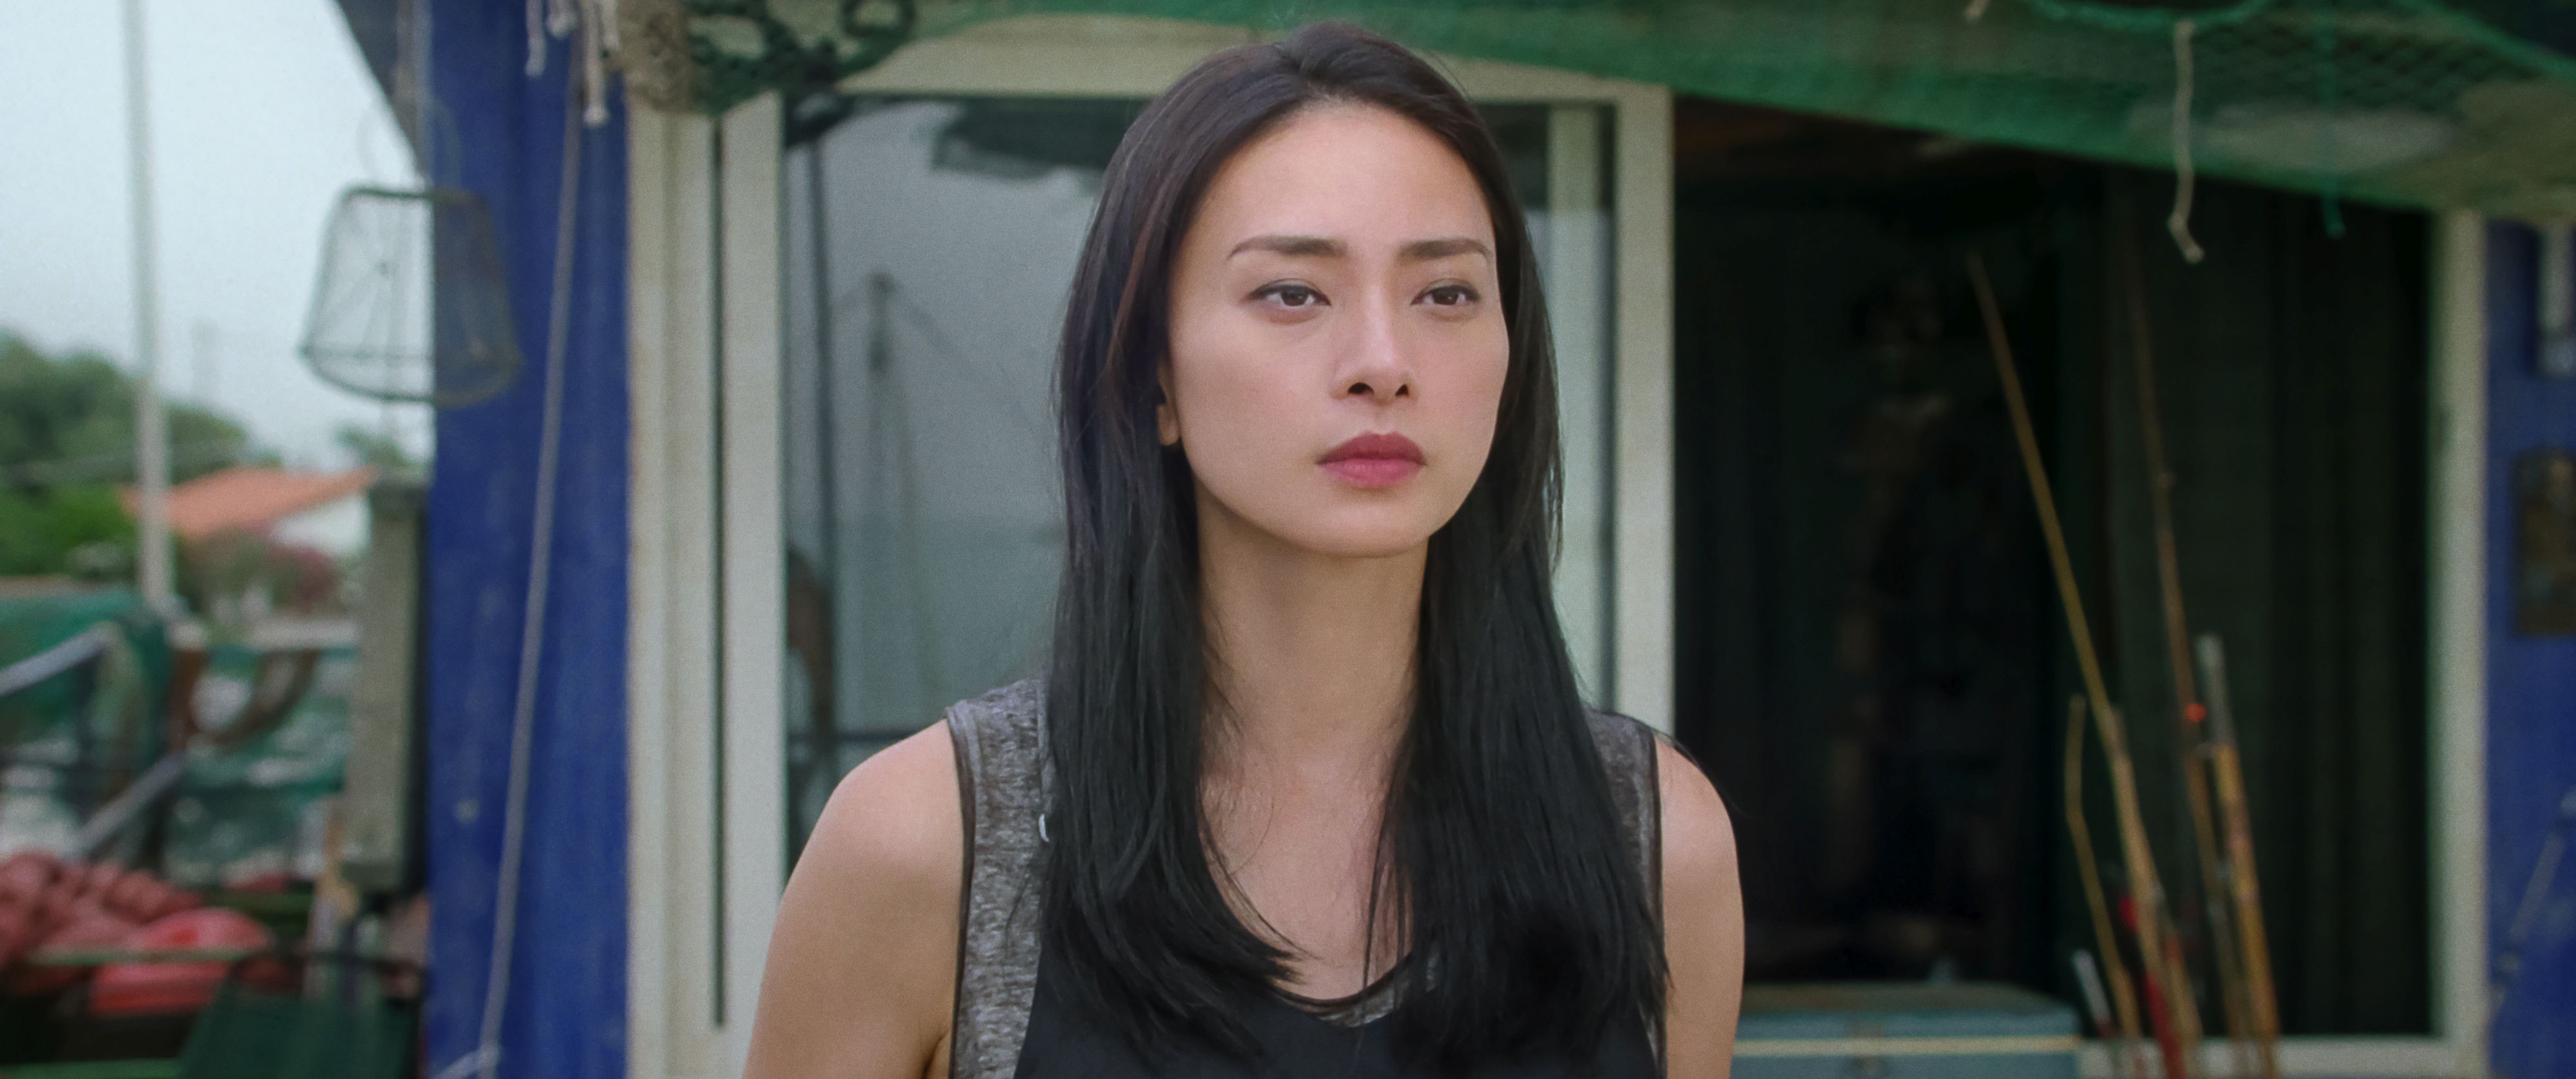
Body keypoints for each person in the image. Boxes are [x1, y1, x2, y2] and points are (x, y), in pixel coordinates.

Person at [743, 21, 1743, 1078]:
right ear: (1153, 376)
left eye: (1446, 293)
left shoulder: (1653, 840)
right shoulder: (930, 846)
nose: (1383, 362)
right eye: (1292, 293)